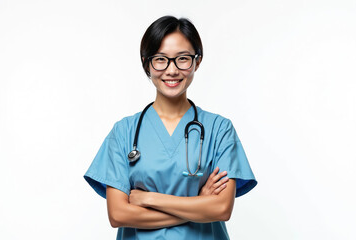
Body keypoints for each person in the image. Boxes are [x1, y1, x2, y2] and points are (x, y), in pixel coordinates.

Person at [83, 15, 257, 240]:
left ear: (197, 61)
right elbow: (118, 214)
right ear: (147, 63)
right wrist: (198, 204)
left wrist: (148, 199)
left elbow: (222, 209)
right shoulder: (124, 132)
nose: (172, 70)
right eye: (160, 59)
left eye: (182, 58)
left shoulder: (219, 129)